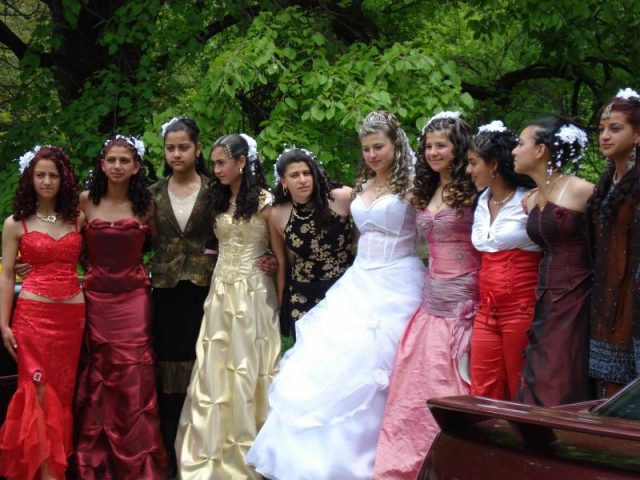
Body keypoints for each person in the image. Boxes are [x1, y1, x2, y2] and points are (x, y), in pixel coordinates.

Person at [246, 111, 425, 480]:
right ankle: (318, 462)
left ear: (396, 146)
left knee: (383, 364)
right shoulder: (361, 188)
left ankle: (380, 458)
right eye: (366, 149)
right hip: (359, 281)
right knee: (334, 362)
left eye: (379, 147)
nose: (372, 155)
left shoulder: (413, 187)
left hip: (400, 279)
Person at [373, 111, 479, 479]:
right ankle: (414, 459)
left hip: (466, 296)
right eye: (429, 146)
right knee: (417, 382)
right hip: (431, 297)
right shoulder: (423, 190)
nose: (433, 152)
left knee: (456, 379)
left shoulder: (474, 189)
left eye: (441, 145)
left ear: (458, 148)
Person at [174, 133, 281, 480]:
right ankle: (213, 450)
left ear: (242, 162)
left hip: (254, 292)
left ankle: (252, 451)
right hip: (220, 291)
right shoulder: (217, 200)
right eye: (215, 163)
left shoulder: (265, 201)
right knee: (216, 366)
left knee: (249, 365)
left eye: (222, 163)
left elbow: (281, 254)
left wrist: (275, 274)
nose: (216, 169)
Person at [75, 135, 167, 479]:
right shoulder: (85, 201)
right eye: (111, 160)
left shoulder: (147, 206)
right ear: (102, 164)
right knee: (99, 377)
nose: (117, 166)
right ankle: (98, 463)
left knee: (135, 376)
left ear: (136, 167)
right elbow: (66, 243)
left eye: (124, 160)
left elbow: (162, 247)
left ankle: (138, 462)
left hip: (134, 300)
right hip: (96, 299)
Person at [0, 146, 84, 480]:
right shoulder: (15, 223)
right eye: (40, 175)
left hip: (72, 321)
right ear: (30, 178)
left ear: (63, 180)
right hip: (32, 318)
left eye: (53, 175)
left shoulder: (77, 218)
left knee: (62, 394)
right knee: (37, 391)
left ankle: (55, 466)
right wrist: (3, 324)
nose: (47, 181)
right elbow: (7, 275)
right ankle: (43, 472)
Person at [148, 117, 216, 471]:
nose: (176, 154)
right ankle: (169, 448)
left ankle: (201, 447)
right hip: (165, 290)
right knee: (168, 366)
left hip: (206, 288)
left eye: (183, 147)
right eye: (170, 148)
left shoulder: (215, 189)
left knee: (201, 362)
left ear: (197, 149)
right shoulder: (152, 194)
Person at [513, 116, 594, 406]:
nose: (514, 150)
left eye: (520, 143)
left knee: (561, 373)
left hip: (579, 295)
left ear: (540, 150)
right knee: (538, 370)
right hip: (545, 297)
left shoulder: (581, 189)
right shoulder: (530, 200)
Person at [468, 121, 541, 401]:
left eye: (473, 163)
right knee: (482, 385)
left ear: (494, 165)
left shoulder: (529, 201)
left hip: (522, 309)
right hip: (486, 311)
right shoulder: (479, 202)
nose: (468, 170)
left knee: (519, 384)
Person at [588, 88, 640, 398]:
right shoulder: (608, 182)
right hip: (609, 294)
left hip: (634, 294)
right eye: (601, 129)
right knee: (610, 394)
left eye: (615, 128)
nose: (605, 136)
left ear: (638, 135)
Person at [270, 147, 353, 339]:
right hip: (302, 294)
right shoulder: (278, 213)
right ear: (283, 181)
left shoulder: (342, 197)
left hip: (343, 288)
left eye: (307, 173)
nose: (302, 179)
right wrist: (281, 302)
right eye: (294, 175)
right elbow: (283, 260)